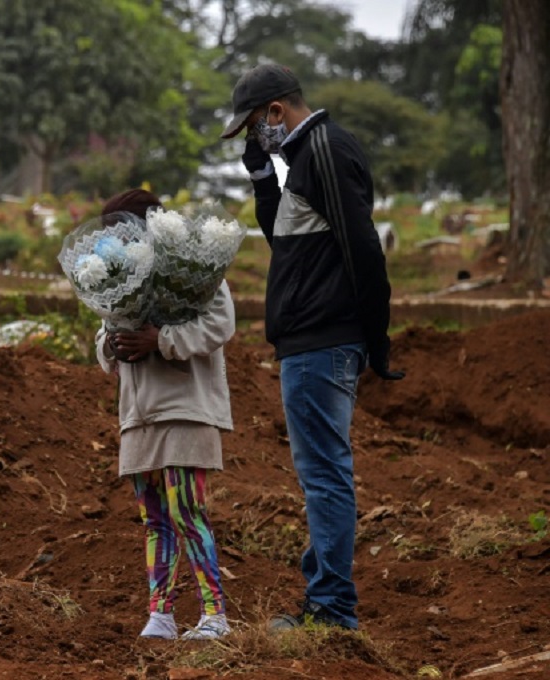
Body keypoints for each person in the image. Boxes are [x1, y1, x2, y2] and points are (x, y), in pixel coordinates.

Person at [221, 64, 404, 631]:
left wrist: (377, 338)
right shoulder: (303, 158)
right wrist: (261, 178)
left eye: (254, 127)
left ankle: (332, 610)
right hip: (313, 340)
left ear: (277, 111)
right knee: (321, 472)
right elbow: (288, 239)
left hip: (322, 341)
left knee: (325, 475)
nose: (255, 137)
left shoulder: (323, 148)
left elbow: (363, 248)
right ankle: (323, 594)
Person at [94, 188, 236, 641]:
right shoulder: (119, 278)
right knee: (153, 517)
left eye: (121, 233)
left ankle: (215, 615)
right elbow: (103, 339)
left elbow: (220, 323)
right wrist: (114, 344)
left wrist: (160, 341)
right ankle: (161, 614)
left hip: (186, 408)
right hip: (139, 413)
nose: (114, 243)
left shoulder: (193, 269)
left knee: (186, 508)